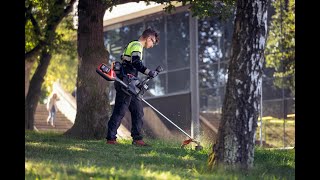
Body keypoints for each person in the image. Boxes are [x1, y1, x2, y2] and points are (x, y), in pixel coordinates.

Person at [106, 28, 160, 146]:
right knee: (119, 111)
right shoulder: (137, 45)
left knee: (138, 111)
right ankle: (111, 139)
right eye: (153, 42)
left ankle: (137, 139)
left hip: (130, 84)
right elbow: (136, 63)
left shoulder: (134, 44)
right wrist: (149, 72)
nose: (152, 45)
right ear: (149, 38)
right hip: (125, 83)